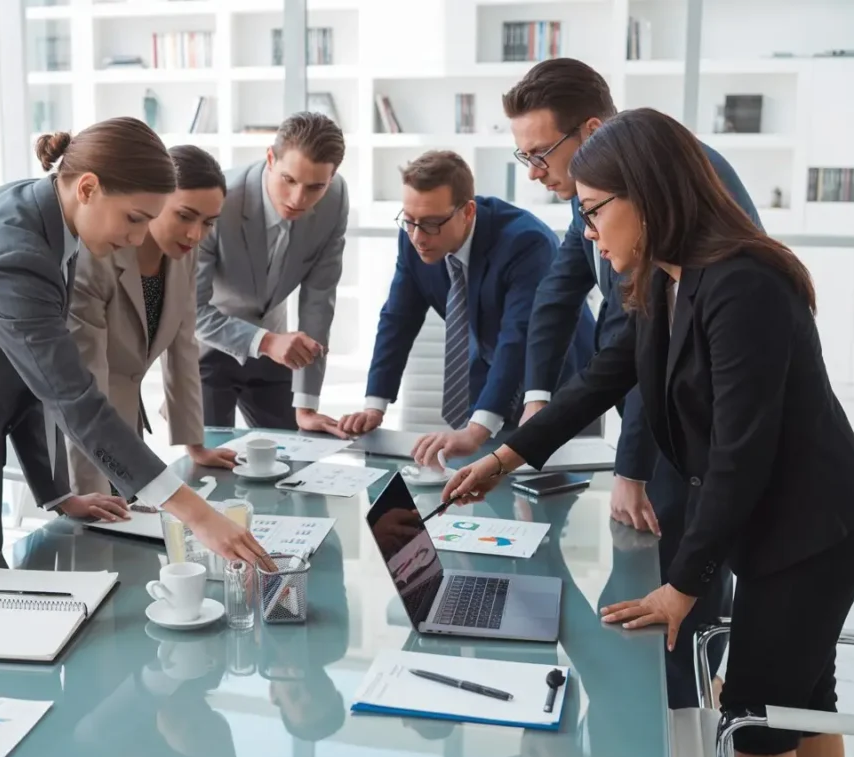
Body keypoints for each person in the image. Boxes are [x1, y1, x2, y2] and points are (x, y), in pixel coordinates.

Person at [443, 107, 854, 757]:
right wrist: (505, 455)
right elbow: (605, 376)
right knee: (802, 704)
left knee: (754, 721)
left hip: (811, 535)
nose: (586, 232)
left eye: (593, 212)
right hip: (783, 526)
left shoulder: (742, 286)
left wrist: (683, 587)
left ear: (646, 195)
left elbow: (738, 454)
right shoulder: (668, 278)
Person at [0, 118, 271, 612]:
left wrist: (56, 493)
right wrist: (197, 514)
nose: (137, 238)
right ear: (88, 187)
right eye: (134, 218)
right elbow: (73, 398)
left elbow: (30, 379)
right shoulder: (12, 254)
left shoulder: (45, 216)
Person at [503, 57, 760, 707]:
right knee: (654, 606)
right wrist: (531, 418)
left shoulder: (674, 199)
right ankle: (662, 703)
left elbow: (649, 354)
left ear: (589, 131)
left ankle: (676, 711)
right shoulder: (606, 184)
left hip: (706, 437)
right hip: (696, 438)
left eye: (540, 154)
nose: (536, 174)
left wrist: (631, 467)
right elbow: (566, 300)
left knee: (682, 602)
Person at [337, 150, 595, 465]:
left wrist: (476, 430)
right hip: (490, 373)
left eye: (431, 224)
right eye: (409, 221)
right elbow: (397, 320)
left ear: (468, 211)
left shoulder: (525, 242)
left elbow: (517, 338)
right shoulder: (414, 237)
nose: (418, 236)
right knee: (483, 485)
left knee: (549, 489)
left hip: (556, 377)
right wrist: (374, 406)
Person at [67, 145, 236, 502]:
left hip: (125, 422)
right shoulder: (98, 257)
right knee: (96, 534)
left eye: (208, 223)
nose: (195, 234)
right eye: (185, 216)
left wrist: (195, 443)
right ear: (155, 201)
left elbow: (182, 346)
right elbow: (86, 379)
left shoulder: (183, 257)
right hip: (77, 427)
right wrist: (93, 494)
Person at [196, 112, 349, 437]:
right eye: (289, 180)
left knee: (295, 458)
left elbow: (319, 300)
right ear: (270, 158)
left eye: (315, 187)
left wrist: (306, 404)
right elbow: (190, 309)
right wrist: (265, 342)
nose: (298, 199)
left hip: (275, 341)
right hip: (207, 347)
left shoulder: (335, 200)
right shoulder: (219, 201)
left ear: (332, 177)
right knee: (211, 466)